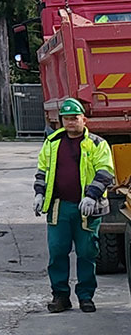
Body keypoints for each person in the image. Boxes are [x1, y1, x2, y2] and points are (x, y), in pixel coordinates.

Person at [33, 97, 116, 313]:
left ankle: (86, 297)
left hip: (88, 208)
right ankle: (60, 296)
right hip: (59, 207)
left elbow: (106, 171)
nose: (70, 122)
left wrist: (92, 196)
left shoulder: (97, 144)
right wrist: (39, 193)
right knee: (57, 252)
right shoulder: (52, 143)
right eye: (67, 118)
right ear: (61, 120)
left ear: (84, 119)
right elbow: (43, 170)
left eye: (75, 118)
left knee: (87, 253)